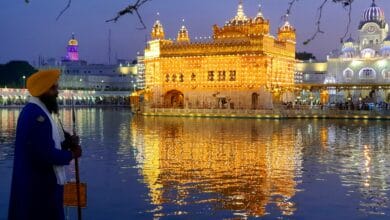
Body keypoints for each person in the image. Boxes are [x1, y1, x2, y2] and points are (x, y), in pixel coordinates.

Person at [8, 69, 82, 220]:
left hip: (33, 184)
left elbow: (41, 146)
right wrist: (72, 154)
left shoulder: (32, 111)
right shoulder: (37, 116)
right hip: (39, 188)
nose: (57, 92)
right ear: (44, 90)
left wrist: (66, 144)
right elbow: (47, 155)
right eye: (54, 88)